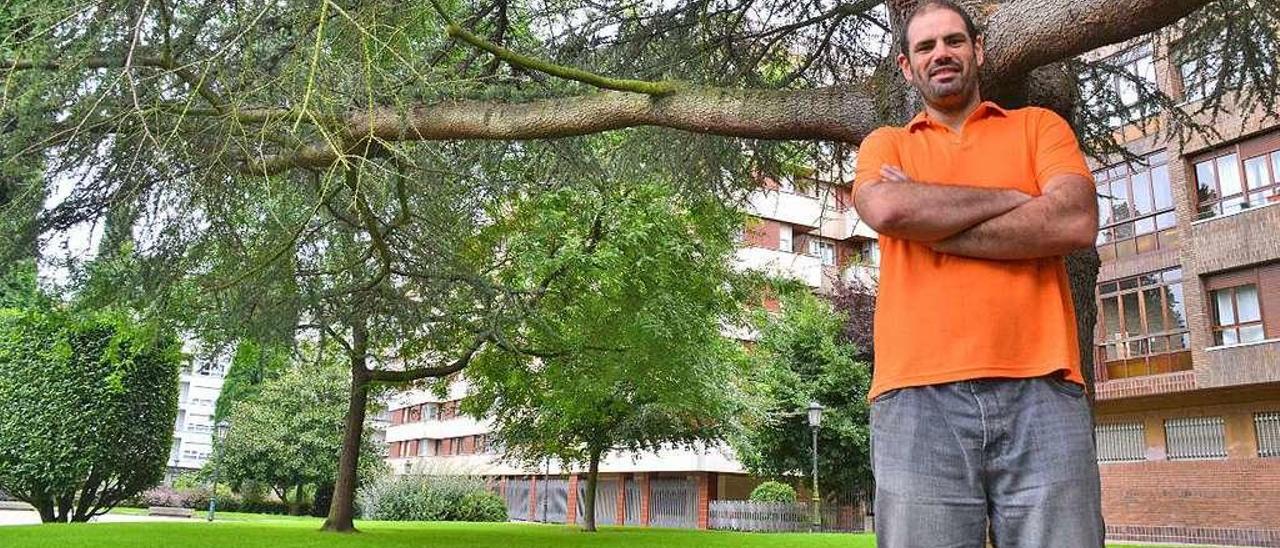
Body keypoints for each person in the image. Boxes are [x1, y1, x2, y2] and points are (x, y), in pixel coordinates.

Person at [851, 1, 1104, 547]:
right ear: (906, 66)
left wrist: (930, 220)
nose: (941, 53)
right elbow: (889, 211)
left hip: (1043, 387)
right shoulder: (885, 144)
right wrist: (1018, 200)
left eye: (953, 41)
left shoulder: (1039, 127)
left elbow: (1075, 220)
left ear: (978, 51)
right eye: (925, 46)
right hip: (916, 396)